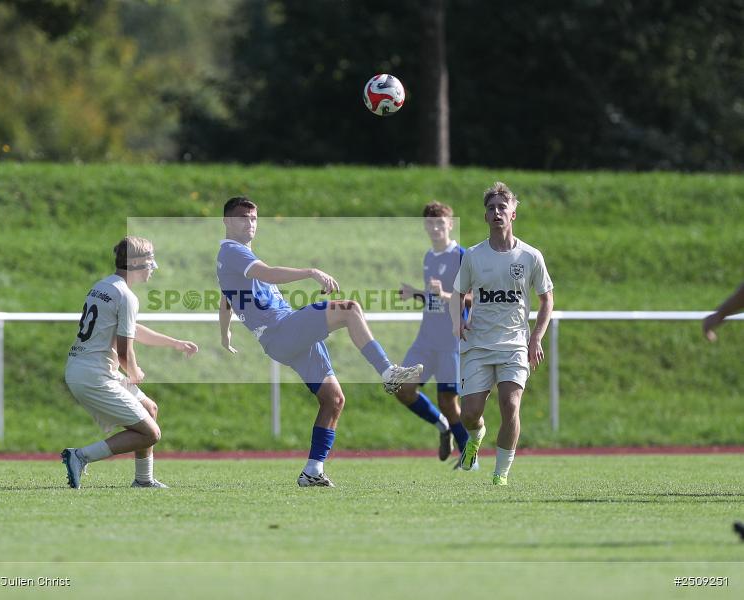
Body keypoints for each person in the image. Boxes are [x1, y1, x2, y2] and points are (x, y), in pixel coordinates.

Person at [217, 196, 423, 487]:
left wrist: (224, 333)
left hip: (285, 336)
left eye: (253, 218)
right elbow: (267, 273)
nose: (249, 223)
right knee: (349, 309)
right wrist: (311, 272)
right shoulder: (232, 252)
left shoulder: (232, 258)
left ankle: (313, 471)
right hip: (282, 330)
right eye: (242, 217)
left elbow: (227, 296)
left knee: (333, 400)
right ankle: (388, 372)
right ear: (226, 221)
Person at [62, 236, 198, 489]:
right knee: (151, 433)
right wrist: (134, 372)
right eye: (149, 261)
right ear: (134, 263)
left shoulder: (104, 286)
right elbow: (125, 350)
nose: (152, 267)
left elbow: (131, 328)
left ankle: (144, 480)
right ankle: (80, 456)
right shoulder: (126, 295)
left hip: (86, 369)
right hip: (94, 376)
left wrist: (174, 343)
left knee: (150, 409)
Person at [449, 182, 554, 486]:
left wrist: (535, 337)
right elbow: (458, 294)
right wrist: (458, 322)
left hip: (514, 345)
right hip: (478, 343)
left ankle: (501, 474)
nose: (496, 212)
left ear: (513, 215)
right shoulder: (473, 256)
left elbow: (546, 297)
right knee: (469, 413)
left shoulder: (530, 256)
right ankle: (476, 435)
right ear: (485, 217)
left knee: (510, 406)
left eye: (502, 208)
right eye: (491, 208)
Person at [395, 201, 472, 463]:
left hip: (450, 340)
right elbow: (434, 299)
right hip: (425, 338)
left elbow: (473, 298)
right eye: (430, 224)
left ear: (450, 224)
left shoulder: (461, 255)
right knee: (401, 388)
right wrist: (415, 293)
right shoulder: (429, 257)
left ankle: (469, 457)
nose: (436, 228)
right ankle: (442, 427)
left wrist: (445, 293)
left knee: (449, 402)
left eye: (441, 223)